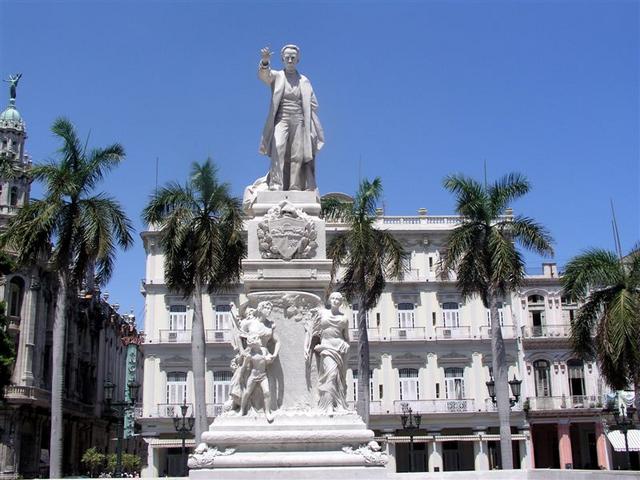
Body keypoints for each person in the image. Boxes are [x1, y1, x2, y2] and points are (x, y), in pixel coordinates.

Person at [258, 45, 324, 191]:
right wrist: (264, 62)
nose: (290, 60)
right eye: (287, 57)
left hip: (299, 120)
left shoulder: (304, 81)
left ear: (298, 59)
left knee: (297, 154)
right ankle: (276, 184)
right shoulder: (277, 76)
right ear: (282, 59)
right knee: (278, 147)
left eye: (293, 57)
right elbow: (265, 76)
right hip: (282, 118)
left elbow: (314, 104)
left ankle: (295, 185)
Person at [305, 292, 350, 411]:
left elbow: (346, 338)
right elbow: (310, 329)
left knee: (337, 378)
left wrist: (346, 344)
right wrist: (308, 346)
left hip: (338, 348)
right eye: (333, 298)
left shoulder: (344, 318)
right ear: (330, 300)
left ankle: (337, 403)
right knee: (331, 375)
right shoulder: (323, 313)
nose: (335, 301)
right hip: (326, 347)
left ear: (341, 302)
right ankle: (327, 405)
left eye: (338, 299)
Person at [240, 334, 276, 422]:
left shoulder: (264, 350)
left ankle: (267, 412)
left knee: (267, 392)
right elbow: (244, 367)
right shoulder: (249, 355)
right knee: (247, 393)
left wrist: (269, 359)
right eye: (258, 340)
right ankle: (242, 410)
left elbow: (270, 359)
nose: (260, 341)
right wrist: (240, 376)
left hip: (263, 375)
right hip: (253, 376)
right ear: (254, 344)